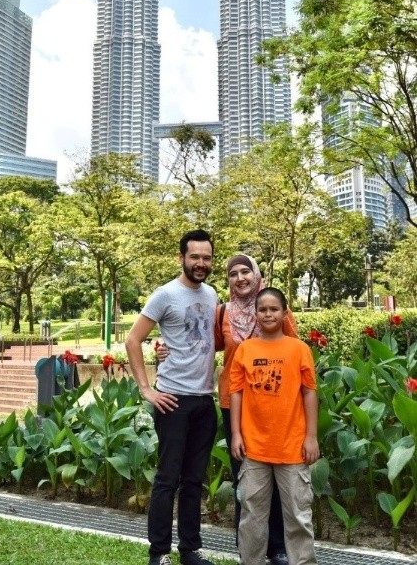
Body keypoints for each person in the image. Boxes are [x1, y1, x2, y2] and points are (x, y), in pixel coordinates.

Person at [125, 229, 218, 565]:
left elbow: (208, 341)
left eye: (206, 257)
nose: (201, 263)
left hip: (205, 400)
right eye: (194, 257)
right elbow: (133, 340)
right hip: (173, 399)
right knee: (167, 479)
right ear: (181, 258)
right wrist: (147, 389)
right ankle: (159, 554)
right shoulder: (165, 294)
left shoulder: (212, 294)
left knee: (194, 480)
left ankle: (190, 550)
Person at [216, 255, 298, 565]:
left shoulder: (275, 308)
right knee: (245, 481)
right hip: (234, 403)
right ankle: (248, 548)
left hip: (274, 405)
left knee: (276, 475)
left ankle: (276, 547)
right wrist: (167, 348)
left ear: (256, 274)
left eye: (245, 271)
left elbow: (295, 351)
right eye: (233, 273)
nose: (240, 277)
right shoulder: (222, 313)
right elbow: (204, 345)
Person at [230, 287, 319, 565]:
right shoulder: (246, 349)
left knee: (297, 517)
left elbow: (309, 392)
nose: (268, 314)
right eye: (262, 309)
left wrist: (311, 436)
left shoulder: (299, 349)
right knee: (252, 517)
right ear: (256, 314)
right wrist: (235, 434)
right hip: (254, 449)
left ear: (284, 312)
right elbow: (236, 393)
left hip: (292, 448)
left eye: (274, 309)